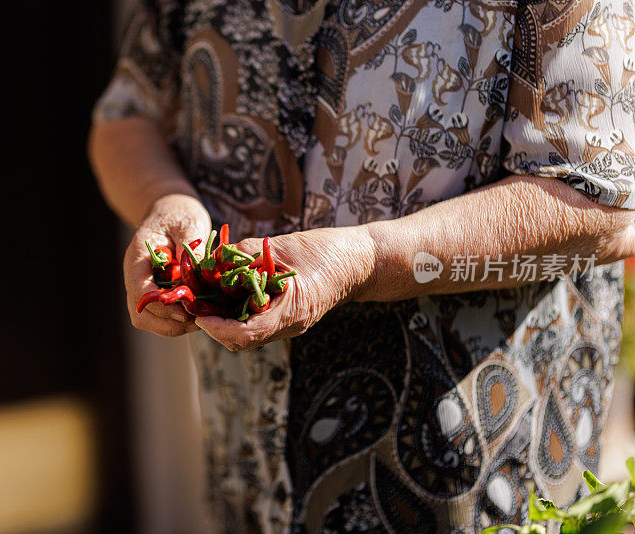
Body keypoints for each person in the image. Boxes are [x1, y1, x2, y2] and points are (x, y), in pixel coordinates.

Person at [89, 0, 635, 531]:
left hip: (474, 473)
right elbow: (127, 115)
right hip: (249, 458)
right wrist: (166, 199)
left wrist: (367, 260)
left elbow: (601, 201)